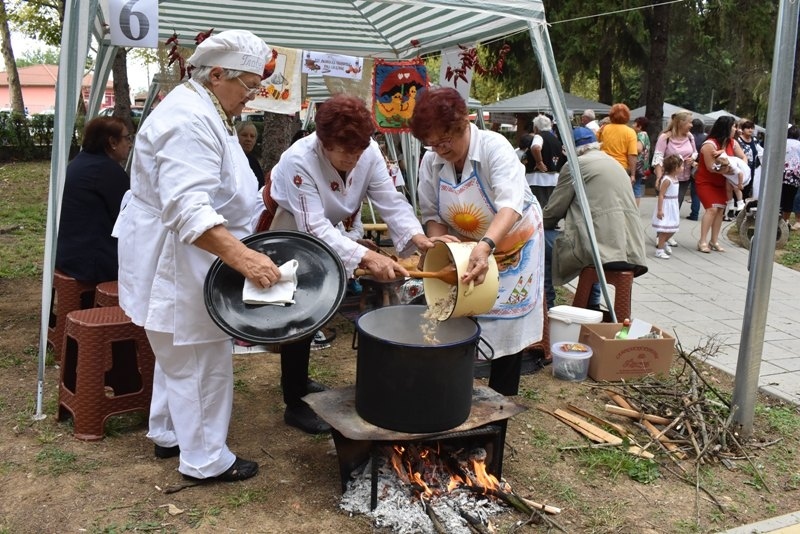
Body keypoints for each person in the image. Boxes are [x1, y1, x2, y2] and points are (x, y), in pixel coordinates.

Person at [113, 30, 278, 483]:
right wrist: (246, 259)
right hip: (180, 256)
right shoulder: (187, 118)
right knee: (200, 360)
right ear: (218, 74)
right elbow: (188, 208)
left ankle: (169, 433)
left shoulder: (207, 105)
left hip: (189, 252)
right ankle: (205, 459)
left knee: (177, 354)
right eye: (248, 85)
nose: (252, 96)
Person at [267, 94, 440, 432]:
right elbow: (312, 227)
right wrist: (366, 255)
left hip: (330, 226)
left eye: (357, 151)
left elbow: (390, 200)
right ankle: (294, 400)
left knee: (319, 305)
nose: (351, 159)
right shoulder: (298, 160)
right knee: (298, 309)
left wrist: (417, 237)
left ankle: (301, 383)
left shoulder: (368, 152)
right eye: (343, 152)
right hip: (293, 225)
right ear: (322, 141)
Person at [410, 87, 545, 397]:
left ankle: (502, 397)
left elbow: (509, 205)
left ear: (462, 125)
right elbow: (432, 214)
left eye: (445, 141)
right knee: (459, 308)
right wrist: (438, 244)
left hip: (513, 241)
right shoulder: (431, 161)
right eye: (431, 144)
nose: (439, 150)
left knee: (505, 320)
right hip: (466, 245)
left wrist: (485, 247)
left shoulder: (494, 147)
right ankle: (456, 392)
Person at [542, 127, 647, 310]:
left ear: (569, 149)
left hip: (601, 251)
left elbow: (553, 211)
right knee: (598, 242)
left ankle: (547, 304)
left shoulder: (575, 165)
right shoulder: (614, 163)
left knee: (539, 240)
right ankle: (592, 303)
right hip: (631, 251)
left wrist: (536, 224)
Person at [56, 117, 131, 296]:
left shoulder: (78, 162)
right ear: (112, 142)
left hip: (67, 253)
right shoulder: (107, 171)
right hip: (91, 261)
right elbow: (128, 218)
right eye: (127, 138)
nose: (129, 144)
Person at [694, 115, 747, 253]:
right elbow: (711, 168)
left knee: (720, 211)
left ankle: (714, 241)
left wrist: (742, 168)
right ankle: (702, 241)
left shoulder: (732, 143)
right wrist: (730, 170)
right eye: (734, 126)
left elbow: (743, 156)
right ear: (726, 128)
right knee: (711, 209)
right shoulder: (709, 145)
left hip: (722, 182)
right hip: (706, 181)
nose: (736, 129)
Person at [652, 111, 696, 246]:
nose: (691, 125)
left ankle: (669, 233)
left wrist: (692, 158)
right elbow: (658, 157)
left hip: (683, 177)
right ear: (681, 123)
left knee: (676, 205)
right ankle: (660, 235)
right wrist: (659, 177)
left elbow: (694, 152)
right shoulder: (665, 137)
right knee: (666, 205)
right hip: (668, 178)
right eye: (689, 122)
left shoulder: (689, 137)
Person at [519, 114, 564, 208]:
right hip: (554, 179)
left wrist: (539, 162)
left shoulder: (539, 137)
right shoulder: (555, 139)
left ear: (535, 127)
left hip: (537, 179)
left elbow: (536, 147)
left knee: (537, 207)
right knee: (549, 207)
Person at [652, 155, 684, 259]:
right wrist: (660, 210)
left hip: (673, 205)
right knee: (664, 230)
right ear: (675, 168)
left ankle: (664, 243)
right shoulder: (667, 180)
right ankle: (659, 250)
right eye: (681, 166)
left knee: (673, 228)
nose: (683, 168)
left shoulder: (675, 178)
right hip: (667, 206)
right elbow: (661, 195)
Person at [597, 103, 638, 184]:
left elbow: (595, 144)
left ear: (611, 115)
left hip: (604, 165)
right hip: (621, 168)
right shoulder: (630, 132)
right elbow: (632, 155)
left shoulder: (603, 128)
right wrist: (633, 175)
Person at [235, 120, 264, 188]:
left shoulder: (253, 161)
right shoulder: (230, 159)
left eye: (252, 136)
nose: (249, 139)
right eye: (244, 135)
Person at [781, 125, 800, 226]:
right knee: (789, 199)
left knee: (779, 198)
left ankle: (776, 219)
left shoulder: (782, 143)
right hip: (794, 176)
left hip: (780, 174)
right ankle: (785, 221)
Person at [687, 119, 707, 220]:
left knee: (681, 188)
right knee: (695, 191)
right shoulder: (705, 138)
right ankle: (695, 213)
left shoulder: (689, 137)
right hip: (699, 166)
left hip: (688, 163)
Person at [632, 116, 651, 207]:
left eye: (635, 123)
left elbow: (638, 148)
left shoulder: (641, 134)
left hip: (637, 165)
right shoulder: (645, 134)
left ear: (640, 126)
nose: (633, 125)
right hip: (642, 166)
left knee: (635, 187)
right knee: (637, 186)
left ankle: (635, 209)